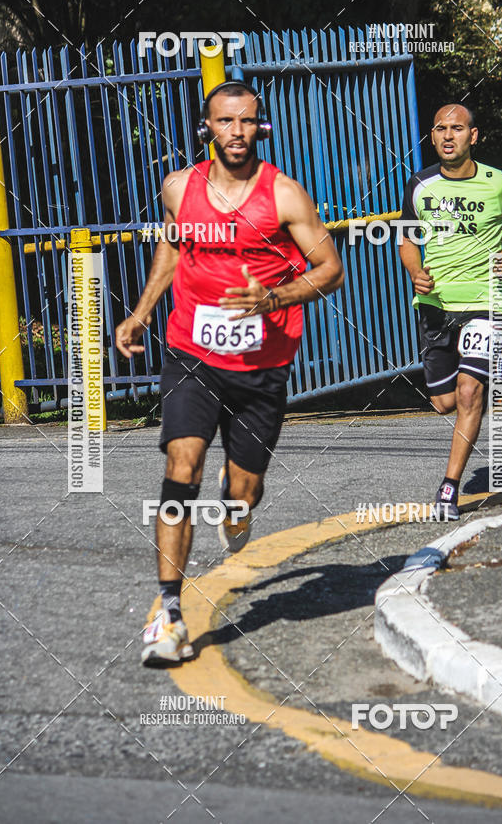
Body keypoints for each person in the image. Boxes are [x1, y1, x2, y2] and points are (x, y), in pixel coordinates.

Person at [115, 81, 344, 665]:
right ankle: (168, 612)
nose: (236, 132)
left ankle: (236, 503)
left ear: (258, 127)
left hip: (261, 366)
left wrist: (273, 298)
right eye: (225, 121)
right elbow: (173, 245)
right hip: (192, 353)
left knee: (243, 495)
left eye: (247, 122)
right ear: (207, 127)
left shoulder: (285, 195)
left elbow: (330, 268)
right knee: (180, 467)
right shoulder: (179, 188)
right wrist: (141, 313)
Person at [399, 103, 502, 520]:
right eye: (440, 128)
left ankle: (449, 487)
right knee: (443, 402)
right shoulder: (420, 184)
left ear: (472, 137)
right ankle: (469, 413)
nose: (447, 136)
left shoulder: (500, 184)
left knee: (469, 392)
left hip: (486, 302)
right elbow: (406, 239)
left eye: (456, 129)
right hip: (437, 304)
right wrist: (415, 271)